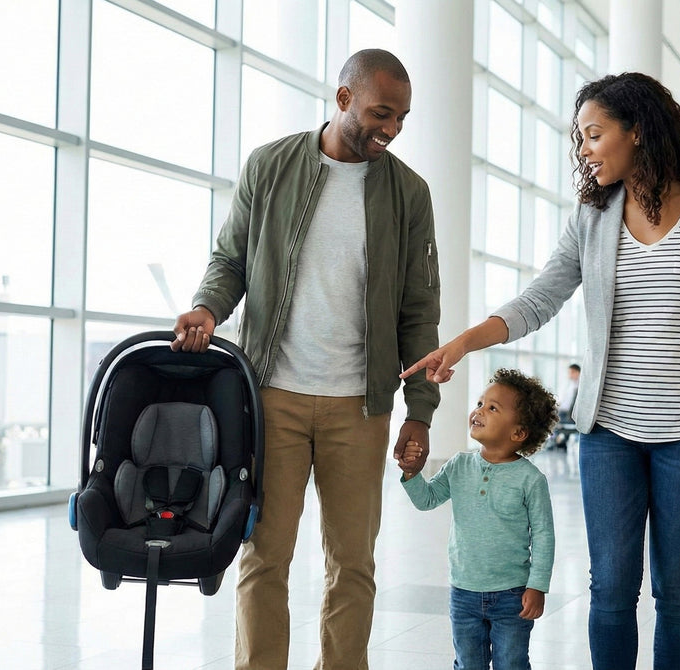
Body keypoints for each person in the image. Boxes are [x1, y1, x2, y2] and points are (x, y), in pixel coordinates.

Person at [400, 71, 680, 669]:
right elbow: (539, 300)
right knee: (612, 591)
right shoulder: (593, 216)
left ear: (637, 131)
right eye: (581, 138)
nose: (586, 150)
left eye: (595, 134)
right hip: (610, 431)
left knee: (677, 592)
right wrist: (462, 343)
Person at [170, 49, 441, 670]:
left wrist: (419, 411)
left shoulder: (408, 194)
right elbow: (229, 259)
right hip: (271, 398)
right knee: (264, 555)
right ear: (343, 98)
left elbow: (419, 309)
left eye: (401, 118)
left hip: (361, 405)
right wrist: (208, 309)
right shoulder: (270, 166)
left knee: (353, 563)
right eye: (380, 113)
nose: (391, 129)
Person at [397, 368, 557, 670]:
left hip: (513, 594)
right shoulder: (459, 465)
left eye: (493, 408)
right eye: (481, 403)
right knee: (469, 663)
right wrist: (411, 473)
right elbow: (427, 500)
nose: (479, 411)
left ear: (518, 433)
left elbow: (544, 536)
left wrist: (538, 586)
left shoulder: (530, 479)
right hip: (463, 592)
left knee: (512, 663)